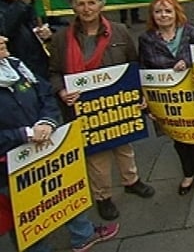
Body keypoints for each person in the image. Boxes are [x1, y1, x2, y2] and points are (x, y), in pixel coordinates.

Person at [0, 35, 120, 252]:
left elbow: (44, 92)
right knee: (24, 215)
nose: (4, 39)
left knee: (66, 190)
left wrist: (48, 121)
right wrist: (24, 134)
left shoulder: (15, 65)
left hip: (48, 147)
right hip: (9, 164)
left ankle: (83, 236)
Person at [48, 0, 155, 221]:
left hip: (118, 104)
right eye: (81, 4)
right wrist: (62, 91)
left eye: (91, 3)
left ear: (101, 5)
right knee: (97, 155)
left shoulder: (119, 31)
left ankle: (132, 181)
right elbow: (54, 72)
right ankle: (103, 196)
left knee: (125, 147)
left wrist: (139, 95)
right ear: (73, 8)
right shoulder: (61, 39)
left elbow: (133, 64)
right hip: (85, 109)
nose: (86, 9)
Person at [138, 0, 194, 195]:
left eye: (168, 11)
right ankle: (188, 173)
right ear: (152, 15)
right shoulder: (146, 39)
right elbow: (143, 70)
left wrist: (188, 62)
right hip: (167, 102)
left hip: (192, 97)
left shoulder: (192, 32)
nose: (163, 15)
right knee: (178, 139)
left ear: (176, 12)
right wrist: (147, 102)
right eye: (158, 11)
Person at [0, 0, 51, 77]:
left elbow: (60, 23)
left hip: (43, 66)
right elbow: (4, 29)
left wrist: (50, 32)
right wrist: (22, 3)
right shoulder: (23, 1)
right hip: (15, 71)